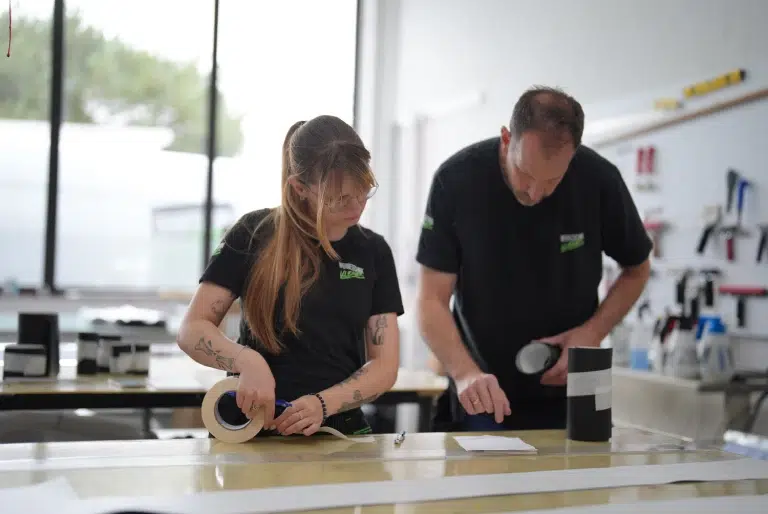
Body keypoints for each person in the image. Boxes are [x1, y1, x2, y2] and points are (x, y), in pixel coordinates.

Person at [416, 86, 652, 431]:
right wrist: (465, 373)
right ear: (506, 139)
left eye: (553, 180)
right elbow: (430, 300)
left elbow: (637, 269)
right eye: (525, 173)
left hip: (579, 383)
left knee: (587, 479)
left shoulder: (599, 180)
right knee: (480, 482)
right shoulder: (456, 182)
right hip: (483, 385)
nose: (535, 192)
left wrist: (592, 333)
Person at [177, 115, 404, 437]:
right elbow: (191, 330)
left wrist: (324, 403)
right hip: (250, 427)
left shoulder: (373, 251)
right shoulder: (252, 234)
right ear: (300, 188)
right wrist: (248, 361)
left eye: (364, 191)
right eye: (339, 198)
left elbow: (384, 366)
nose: (356, 206)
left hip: (335, 431)